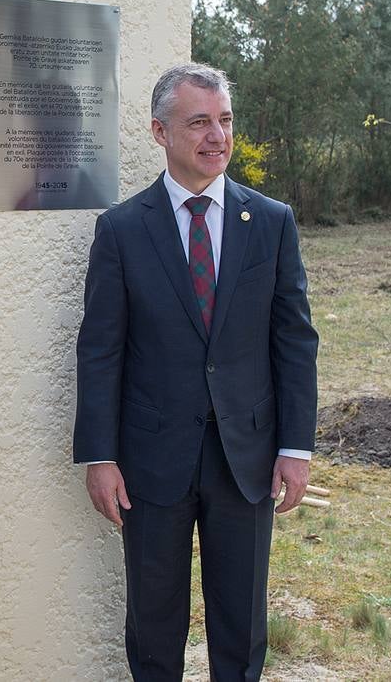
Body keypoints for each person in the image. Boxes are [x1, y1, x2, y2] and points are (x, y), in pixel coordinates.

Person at [74, 63, 319, 681]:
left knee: (241, 623)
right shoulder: (123, 230)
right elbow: (100, 350)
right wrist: (98, 455)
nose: (217, 136)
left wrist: (295, 447)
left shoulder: (270, 222)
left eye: (225, 120)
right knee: (154, 625)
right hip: (152, 460)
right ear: (160, 131)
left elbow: (295, 342)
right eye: (199, 122)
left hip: (248, 457)